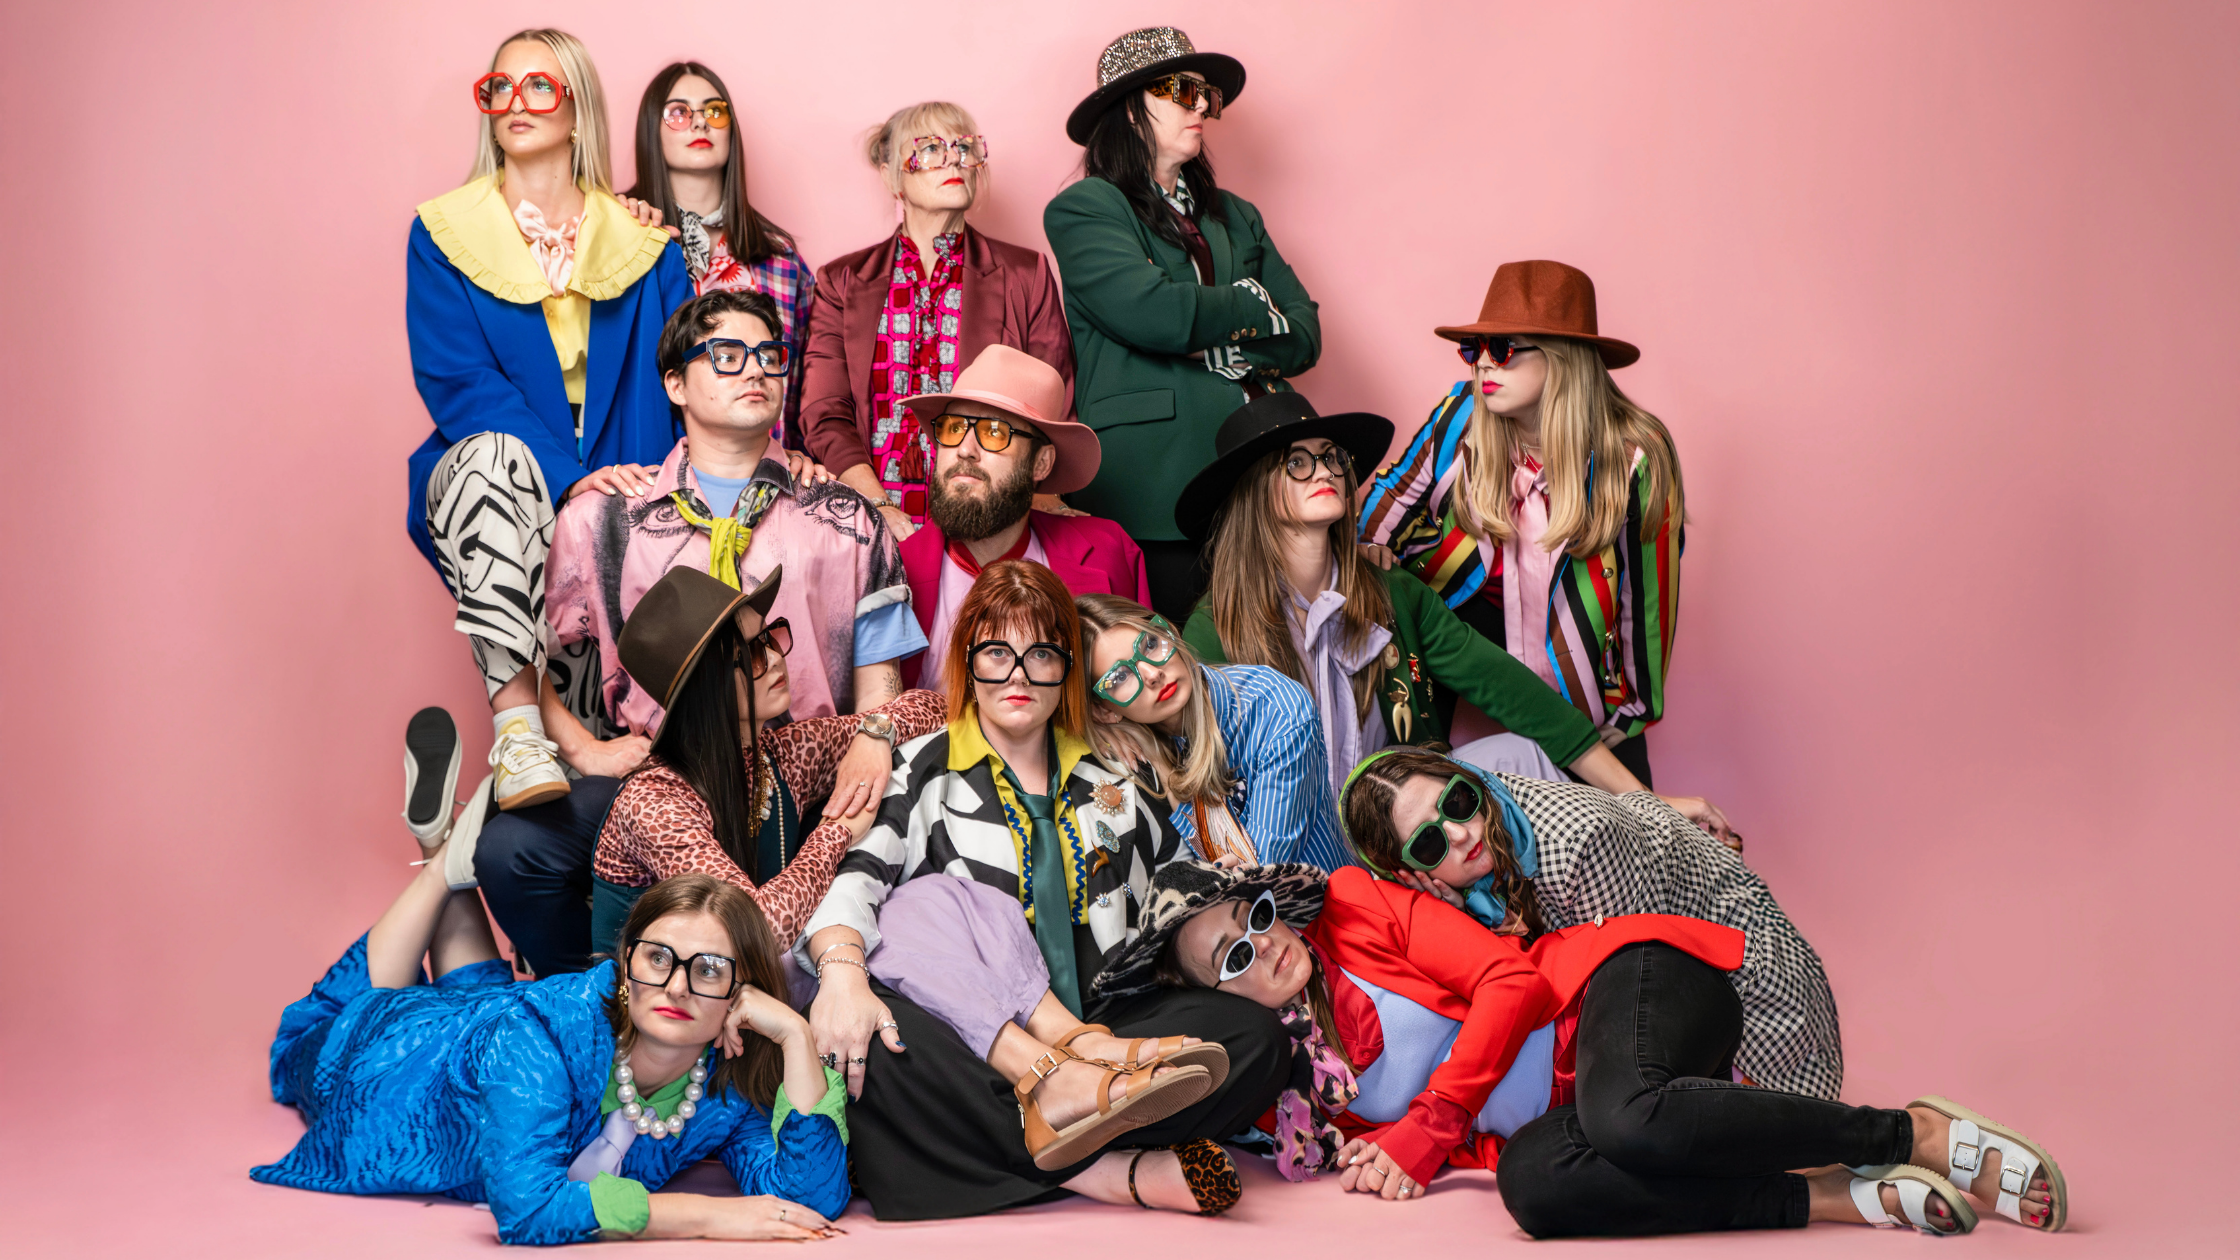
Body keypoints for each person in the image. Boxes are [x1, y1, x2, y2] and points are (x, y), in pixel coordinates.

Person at [1101, 860, 2067, 1240]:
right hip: (1596, 1111)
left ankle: (1905, 1132)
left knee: (1625, 1111)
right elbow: (1474, 1147)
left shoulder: (1354, 905)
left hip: (1619, 987)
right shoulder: (1302, 1103)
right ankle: (1825, 1195)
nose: (1266, 943)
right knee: (1536, 1190)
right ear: (1218, 999)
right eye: (1233, 955)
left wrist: (1426, 1130)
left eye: (1255, 917)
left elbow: (1510, 981)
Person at [798, 560, 1288, 1219]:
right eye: (997, 653)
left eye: (1043, 655)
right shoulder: (919, 770)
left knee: (1255, 1041)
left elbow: (1176, 890)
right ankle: (1110, 1168)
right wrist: (840, 976)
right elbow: (854, 881)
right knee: (885, 1050)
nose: (1019, 676)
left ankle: (1022, 1140)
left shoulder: (1115, 770)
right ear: (968, 661)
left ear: (1068, 670)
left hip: (1107, 1021)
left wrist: (1226, 921)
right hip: (979, 1039)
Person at [1177, 393, 1735, 844]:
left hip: (1400, 828)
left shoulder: (1391, 592)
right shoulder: (1215, 626)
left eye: (1331, 457)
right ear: (1252, 492)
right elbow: (1207, 780)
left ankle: (1606, 903)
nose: (1323, 470)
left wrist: (1645, 802)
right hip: (1293, 843)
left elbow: (1515, 692)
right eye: (1296, 462)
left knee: (1521, 752)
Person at [252, 854, 851, 1245]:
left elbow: (810, 1197)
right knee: (314, 1038)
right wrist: (707, 1216)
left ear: (743, 990)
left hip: (488, 1027)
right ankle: (443, 865)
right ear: (625, 967)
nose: (675, 987)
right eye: (658, 958)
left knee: (479, 998)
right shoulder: (539, 1035)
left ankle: (451, 872)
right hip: (396, 1064)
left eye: (710, 969)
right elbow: (526, 1208)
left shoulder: (724, 1086)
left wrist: (796, 1036)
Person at [406, 28, 692, 812]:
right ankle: (525, 730)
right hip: (496, 480)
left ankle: (473, 821)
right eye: (498, 88)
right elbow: (459, 380)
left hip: (626, 477)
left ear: (578, 108)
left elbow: (688, 380)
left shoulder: (647, 243)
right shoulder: (442, 231)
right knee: (495, 460)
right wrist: (566, 476)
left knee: (576, 811)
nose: (515, 102)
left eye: (539, 86)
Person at [1339, 747, 1840, 1099]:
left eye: (1456, 801)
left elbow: (1634, 991)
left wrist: (1486, 933)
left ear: (1469, 779)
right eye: (1428, 842)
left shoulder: (1578, 846)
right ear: (1407, 873)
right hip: (1691, 992)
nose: (1460, 833)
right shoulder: (1473, 878)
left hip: (1759, 1001)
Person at [545, 288, 923, 747]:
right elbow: (533, 660)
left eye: (769, 356)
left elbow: (880, 689)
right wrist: (586, 753)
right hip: (659, 775)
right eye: (726, 356)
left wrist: (864, 763)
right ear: (676, 385)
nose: (755, 369)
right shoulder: (602, 520)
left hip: (813, 775)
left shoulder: (849, 519)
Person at [1360, 261, 1685, 786]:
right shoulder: (1462, 413)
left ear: (1562, 358)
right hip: (1462, 613)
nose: (1484, 365)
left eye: (1504, 348)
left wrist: (1635, 709)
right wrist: (1369, 544)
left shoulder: (1633, 455)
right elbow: (1396, 489)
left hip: (1570, 629)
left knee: (1621, 793)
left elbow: (1649, 593)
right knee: (1417, 765)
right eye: (1474, 349)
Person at [1046, 27, 1319, 621]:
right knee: (1175, 660)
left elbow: (1304, 335)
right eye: (1181, 90)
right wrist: (1251, 304)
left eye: (1206, 95)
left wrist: (1213, 337)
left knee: (1275, 652)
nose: (1202, 107)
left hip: (1263, 474)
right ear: (1129, 109)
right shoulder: (1086, 208)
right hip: (1153, 484)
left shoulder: (1238, 215)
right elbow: (1156, 315)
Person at [586, 565, 949, 961]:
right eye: (752, 654)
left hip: (735, 983)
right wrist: (838, 832)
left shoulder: (782, 752)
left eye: (769, 638)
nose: (776, 659)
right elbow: (755, 931)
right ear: (704, 688)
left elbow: (933, 706)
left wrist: (875, 733)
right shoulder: (653, 802)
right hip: (648, 994)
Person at [800, 101, 1075, 539]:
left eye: (964, 148)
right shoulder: (842, 281)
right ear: (893, 176)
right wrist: (878, 509)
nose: (953, 160)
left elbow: (1054, 407)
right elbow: (825, 413)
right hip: (872, 524)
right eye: (930, 148)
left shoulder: (1026, 274)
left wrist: (1041, 509)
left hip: (992, 523)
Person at [893, 344, 1148, 683]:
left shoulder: (1109, 551)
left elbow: (1141, 691)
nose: (965, 450)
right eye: (954, 428)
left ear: (1041, 463)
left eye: (994, 432)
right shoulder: (888, 569)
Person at [1075, 593, 1346, 871]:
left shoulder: (1277, 710)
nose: (1152, 674)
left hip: (1327, 896)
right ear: (1103, 710)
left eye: (1151, 644)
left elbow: (1255, 875)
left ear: (1169, 631)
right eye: (1120, 677)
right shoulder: (1128, 752)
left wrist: (1166, 773)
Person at [619, 62, 815, 442]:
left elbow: (800, 389)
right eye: (678, 112)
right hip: (646, 462)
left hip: (763, 466)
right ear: (651, 129)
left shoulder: (781, 260)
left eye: (714, 111)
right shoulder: (620, 238)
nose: (699, 123)